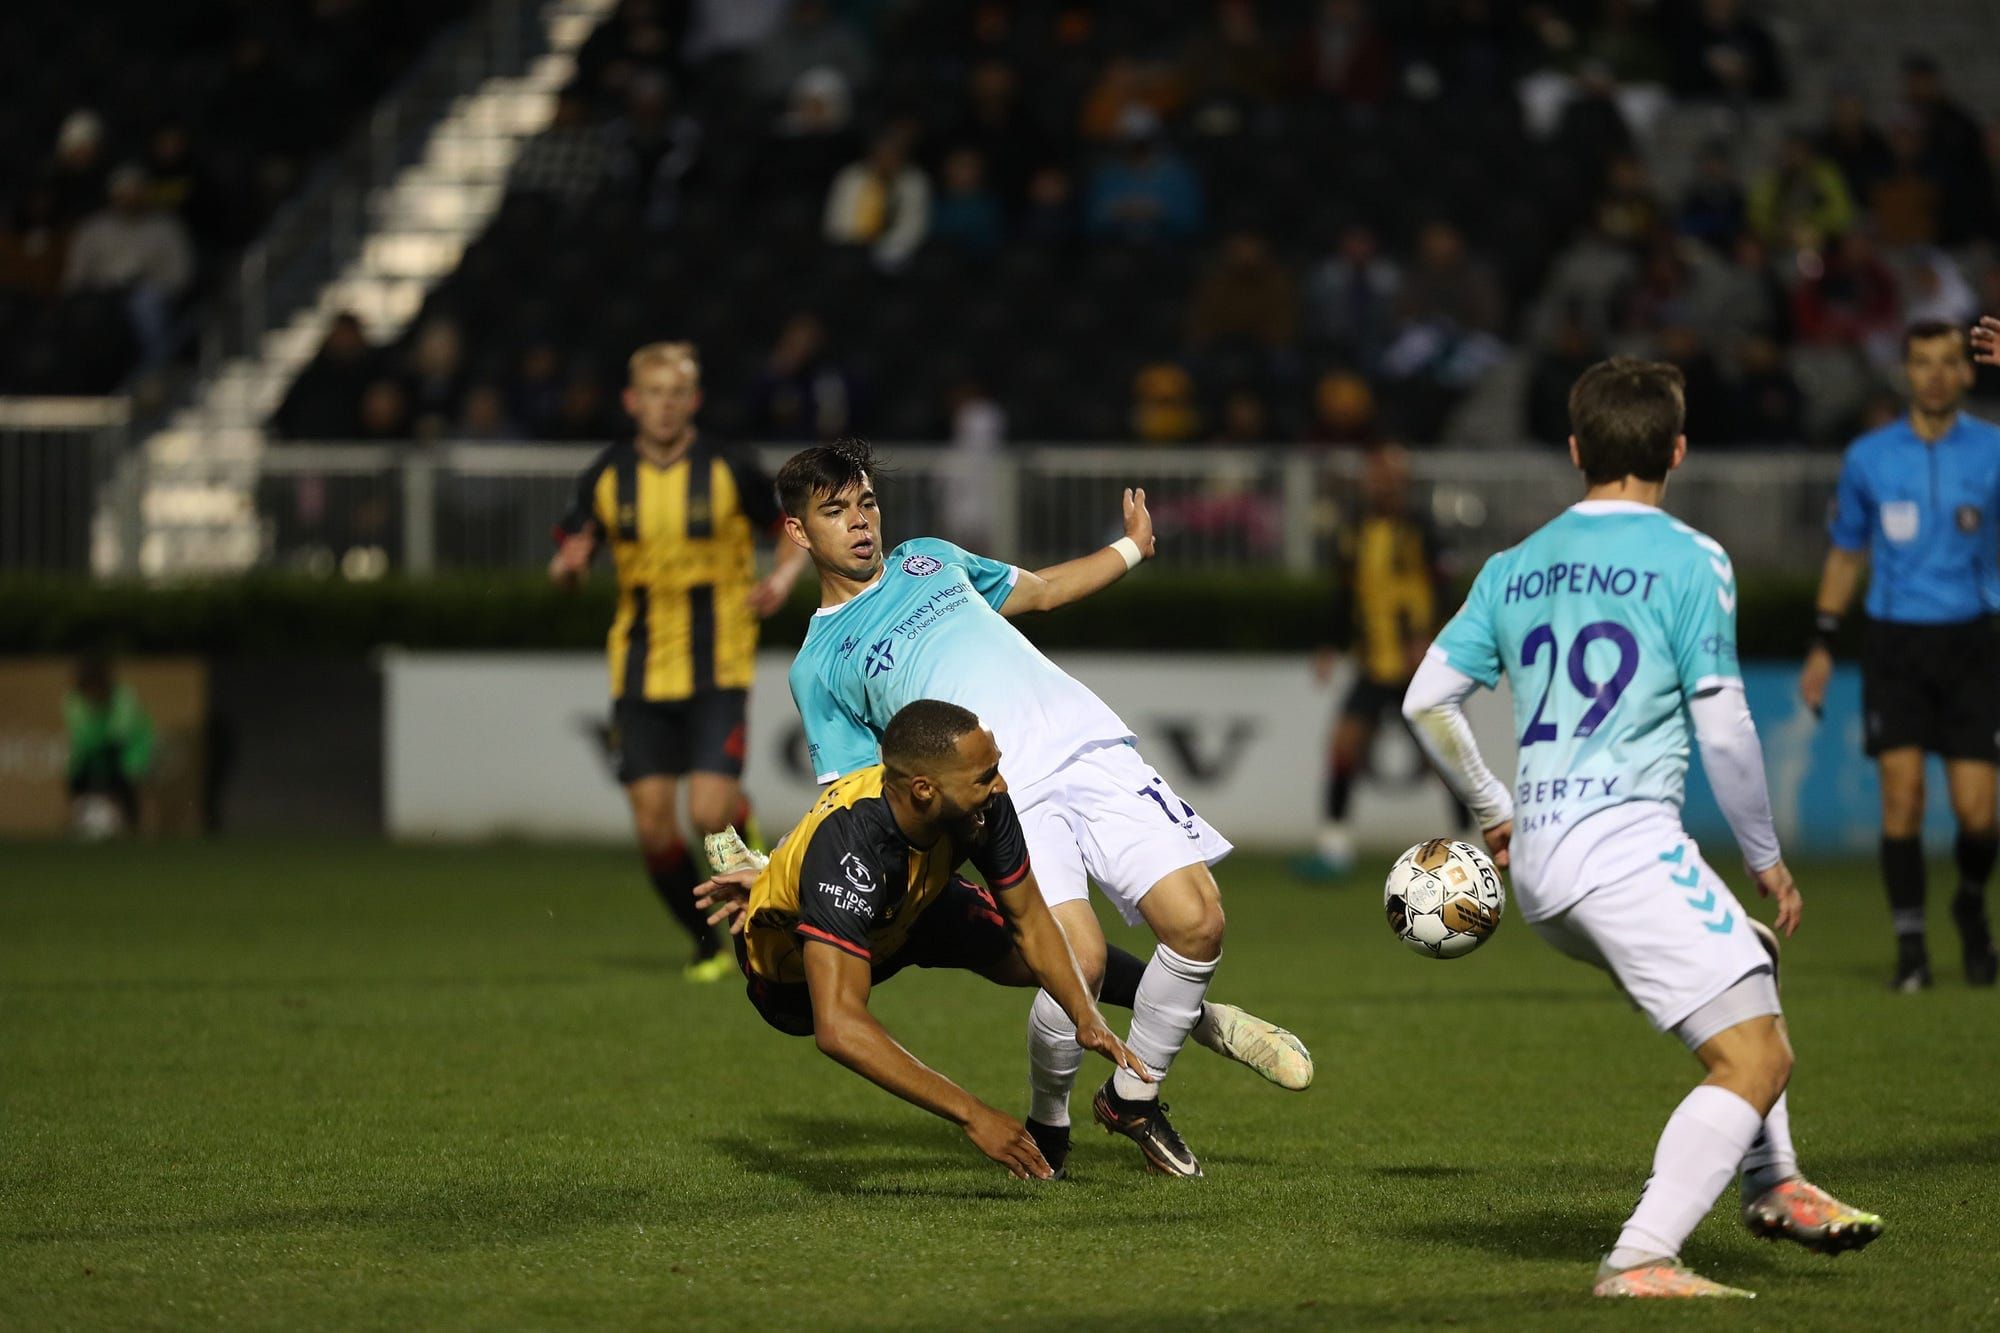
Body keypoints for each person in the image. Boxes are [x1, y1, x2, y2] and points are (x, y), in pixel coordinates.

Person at [1405, 356, 1882, 1298]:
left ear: (1577, 449)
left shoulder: (1514, 564)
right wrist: (1766, 856)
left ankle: (1774, 1181)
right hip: (1623, 848)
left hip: (1543, 862)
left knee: (1749, 958)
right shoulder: (1691, 558)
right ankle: (1641, 1255)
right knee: (1758, 1053)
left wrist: (1494, 807)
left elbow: (1427, 700)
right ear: (1678, 449)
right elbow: (1727, 728)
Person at [773, 438, 1311, 1179]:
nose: (861, 522)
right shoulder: (819, 662)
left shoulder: (930, 557)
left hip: (1089, 743)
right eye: (835, 511)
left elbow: (1045, 591)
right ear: (799, 532)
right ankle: (1049, 1119)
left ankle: (1132, 1094)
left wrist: (1129, 548)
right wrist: (784, 865)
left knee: (1199, 921)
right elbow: (861, 794)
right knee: (1077, 961)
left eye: (866, 502)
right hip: (999, 792)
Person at [693, 700, 1144, 1181]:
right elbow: (839, 1027)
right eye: (985, 776)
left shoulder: (980, 805)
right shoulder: (852, 848)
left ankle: (1193, 1010)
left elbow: (1031, 921)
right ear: (924, 790)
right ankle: (776, 885)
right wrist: (973, 1115)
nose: (1001, 785)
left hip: (915, 907)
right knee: (837, 967)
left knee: (1067, 959)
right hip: (791, 979)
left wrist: (1084, 1013)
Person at [550, 342, 809, 980]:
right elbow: (567, 565)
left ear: (692, 401)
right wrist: (568, 568)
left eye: (677, 394)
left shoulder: (728, 465)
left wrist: (780, 581)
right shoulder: (606, 475)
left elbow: (791, 534)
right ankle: (703, 941)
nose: (664, 407)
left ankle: (756, 892)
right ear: (631, 401)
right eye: (652, 395)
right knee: (654, 829)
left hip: (718, 661)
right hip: (638, 669)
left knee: (707, 815)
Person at [1798, 321, 2000, 991]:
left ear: (1968, 374)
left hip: (1973, 640)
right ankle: (1911, 950)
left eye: (1949, 362)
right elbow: (1847, 550)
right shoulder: (1869, 458)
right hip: (1895, 644)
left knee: (1978, 814)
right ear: (1906, 372)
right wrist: (1824, 640)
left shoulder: (1994, 450)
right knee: (1902, 796)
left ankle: (1969, 902)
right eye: (1922, 362)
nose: (1936, 374)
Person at [1299, 446, 1466, 878]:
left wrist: (1436, 640)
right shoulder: (1355, 530)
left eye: (1389, 476)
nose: (1381, 484)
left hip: (1420, 666)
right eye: (1376, 476)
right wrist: (1328, 645)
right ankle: (1334, 849)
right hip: (1373, 663)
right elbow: (1344, 595)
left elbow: (1445, 590)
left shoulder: (1423, 530)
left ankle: (1472, 845)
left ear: (1403, 481)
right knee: (1343, 747)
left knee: (1444, 758)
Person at [64, 653, 154, 839]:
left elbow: (121, 734)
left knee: (126, 776)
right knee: (76, 774)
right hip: (95, 753)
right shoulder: (73, 700)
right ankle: (85, 816)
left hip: (131, 750)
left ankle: (131, 826)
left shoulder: (123, 696)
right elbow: (81, 736)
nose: (93, 694)